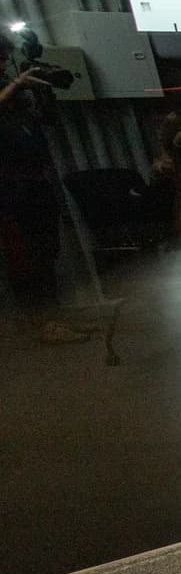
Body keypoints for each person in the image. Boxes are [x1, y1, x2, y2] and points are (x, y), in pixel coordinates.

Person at [0, 32, 86, 344]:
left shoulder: (13, 97)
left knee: (47, 253)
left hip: (36, 184)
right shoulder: (8, 91)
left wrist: (45, 90)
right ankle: (42, 324)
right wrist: (17, 86)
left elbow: (45, 120)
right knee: (27, 260)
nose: (3, 65)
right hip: (11, 194)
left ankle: (53, 319)